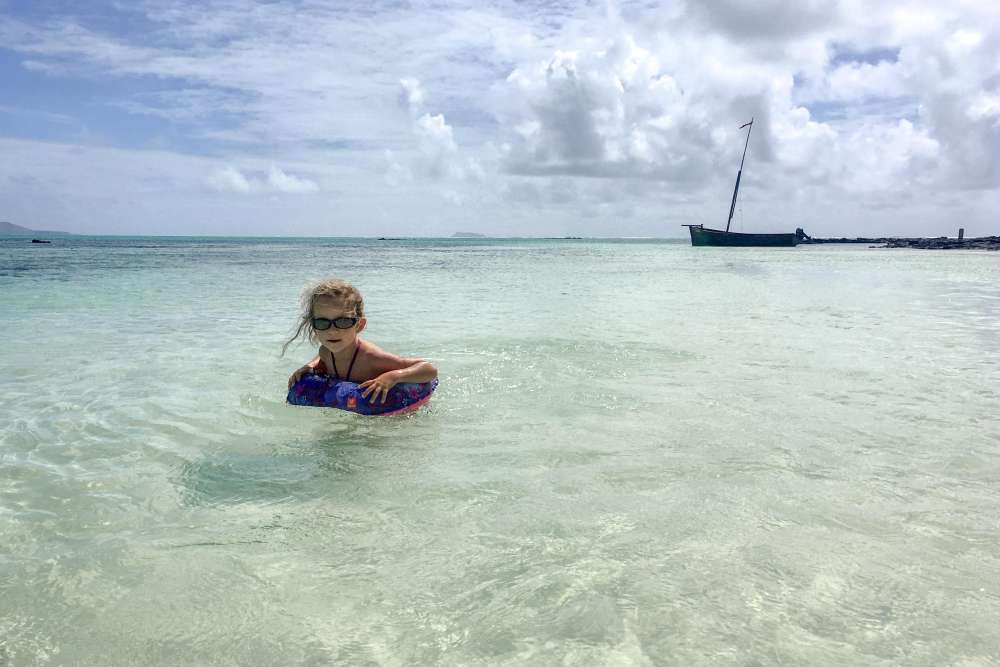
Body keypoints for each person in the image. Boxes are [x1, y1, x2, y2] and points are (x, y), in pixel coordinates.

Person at [284, 279, 437, 404]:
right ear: (313, 325)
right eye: (323, 323)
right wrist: (310, 366)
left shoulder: (370, 357)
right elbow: (322, 356)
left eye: (343, 322)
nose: (332, 331)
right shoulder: (325, 351)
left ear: (359, 325)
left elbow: (429, 369)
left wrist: (393, 376)